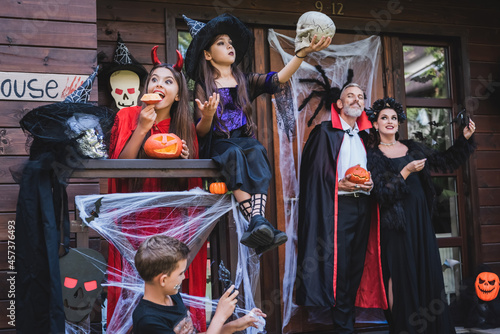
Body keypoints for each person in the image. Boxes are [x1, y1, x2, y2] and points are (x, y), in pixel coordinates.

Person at [183, 13, 331, 254]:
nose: (229, 46)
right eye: (221, 43)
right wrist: (208, 115)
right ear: (208, 55)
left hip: (244, 140)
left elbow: (279, 78)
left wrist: (301, 54)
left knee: (257, 150)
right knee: (234, 154)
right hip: (219, 144)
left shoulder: (244, 80)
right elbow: (201, 131)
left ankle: (257, 222)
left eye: (230, 42)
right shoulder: (203, 86)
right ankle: (258, 222)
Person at [106, 47, 207, 329]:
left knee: (171, 280)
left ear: (177, 95)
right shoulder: (128, 116)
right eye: (154, 79)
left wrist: (187, 163)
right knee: (136, 283)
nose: (159, 84)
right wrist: (142, 128)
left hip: (171, 217)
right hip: (134, 216)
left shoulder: (185, 125)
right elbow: (119, 168)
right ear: (145, 88)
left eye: (168, 81)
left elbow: (192, 187)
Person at [366, 97, 476, 334]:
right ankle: (402, 329)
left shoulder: (413, 147)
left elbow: (444, 161)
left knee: (426, 272)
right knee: (398, 275)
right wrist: (406, 171)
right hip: (395, 226)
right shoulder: (372, 156)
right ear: (375, 124)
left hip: (421, 222)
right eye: (384, 118)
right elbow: (382, 194)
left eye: (393, 118)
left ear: (399, 123)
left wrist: (464, 139)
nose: (389, 122)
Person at [296, 83, 387, 333]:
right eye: (350, 96)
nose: (356, 100)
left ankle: (348, 321)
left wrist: (371, 182)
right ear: (339, 104)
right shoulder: (324, 132)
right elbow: (314, 175)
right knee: (340, 267)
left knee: (358, 264)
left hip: (364, 206)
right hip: (338, 208)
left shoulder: (366, 138)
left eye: (360, 97)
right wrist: (339, 184)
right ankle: (343, 326)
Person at [133, 235, 267, 334]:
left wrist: (237, 325)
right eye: (180, 273)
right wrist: (220, 316)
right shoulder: (148, 321)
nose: (184, 277)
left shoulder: (172, 296)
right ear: (163, 280)